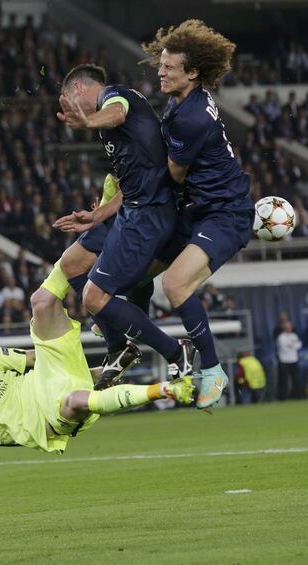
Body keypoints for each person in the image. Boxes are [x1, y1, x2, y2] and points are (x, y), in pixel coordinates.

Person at [0, 281, 194, 554]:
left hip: (49, 379)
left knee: (42, 302)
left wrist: (92, 369)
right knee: (75, 400)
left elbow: (40, 358)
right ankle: (166, 389)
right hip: (48, 417)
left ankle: (90, 265)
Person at [54, 64, 201, 398]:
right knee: (73, 266)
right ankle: (119, 346)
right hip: (134, 210)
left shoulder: (115, 97)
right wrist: (97, 216)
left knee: (94, 295)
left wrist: (89, 120)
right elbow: (128, 183)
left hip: (148, 214)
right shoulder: (109, 132)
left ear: (78, 89)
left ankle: (177, 351)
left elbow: (117, 113)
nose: (64, 109)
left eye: (64, 99)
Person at [141, 19, 255, 406]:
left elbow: (173, 173)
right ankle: (127, 338)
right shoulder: (183, 101)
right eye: (161, 64)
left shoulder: (191, 118)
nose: (160, 70)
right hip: (199, 210)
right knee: (138, 270)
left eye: (169, 67)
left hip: (225, 214)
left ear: (192, 73)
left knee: (174, 285)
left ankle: (211, 367)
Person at [276, 320, 302, 400]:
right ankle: (284, 398)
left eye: (290, 327)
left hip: (294, 360)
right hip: (284, 361)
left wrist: (292, 345)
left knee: (296, 380)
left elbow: (299, 345)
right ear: (284, 328)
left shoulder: (294, 335)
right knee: (284, 381)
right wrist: (292, 345)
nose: (289, 328)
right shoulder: (281, 337)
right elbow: (284, 348)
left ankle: (297, 396)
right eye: (287, 327)